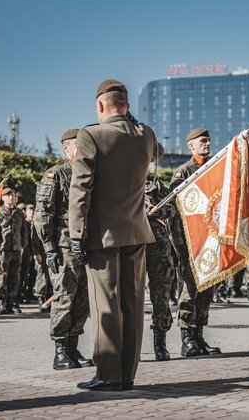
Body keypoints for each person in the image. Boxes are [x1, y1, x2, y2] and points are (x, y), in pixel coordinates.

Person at [69, 79, 161, 391]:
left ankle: (108, 374)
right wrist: (135, 124)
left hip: (102, 235)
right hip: (137, 232)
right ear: (127, 105)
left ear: (99, 106)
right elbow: (157, 152)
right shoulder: (145, 134)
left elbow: (81, 188)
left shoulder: (91, 134)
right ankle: (127, 374)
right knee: (133, 304)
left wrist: (75, 232)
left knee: (106, 305)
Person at [35, 128, 92, 371]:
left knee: (82, 299)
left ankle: (73, 345)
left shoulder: (89, 172)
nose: (82, 149)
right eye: (77, 145)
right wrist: (49, 247)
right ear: (66, 148)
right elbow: (42, 214)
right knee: (64, 296)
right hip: (63, 245)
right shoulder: (56, 174)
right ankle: (60, 350)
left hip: (86, 245)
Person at [167, 127, 221, 357]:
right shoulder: (183, 171)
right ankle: (187, 338)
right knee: (189, 290)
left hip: (209, 241)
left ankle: (198, 336)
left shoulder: (213, 169)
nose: (207, 144)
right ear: (191, 146)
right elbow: (173, 210)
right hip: (188, 242)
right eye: (203, 141)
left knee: (206, 290)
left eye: (208, 141)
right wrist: (178, 246)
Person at [144, 174, 175, 361]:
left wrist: (160, 212)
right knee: (129, 297)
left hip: (158, 244)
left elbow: (171, 206)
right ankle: (129, 343)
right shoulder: (119, 177)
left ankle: (160, 342)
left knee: (161, 293)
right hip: (131, 244)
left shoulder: (154, 182)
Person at [0, 187, 26, 314]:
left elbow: (24, 231)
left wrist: (23, 246)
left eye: (13, 195)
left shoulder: (19, 213)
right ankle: (2, 300)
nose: (11, 197)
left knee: (15, 275)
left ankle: (12, 300)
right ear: (3, 198)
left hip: (16, 248)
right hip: (3, 249)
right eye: (8, 195)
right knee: (2, 275)